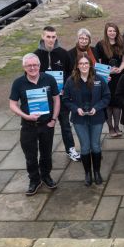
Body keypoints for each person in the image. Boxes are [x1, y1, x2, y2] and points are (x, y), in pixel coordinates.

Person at [9, 53, 60, 196]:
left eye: (35, 65)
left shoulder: (49, 79)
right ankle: (34, 180)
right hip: (28, 126)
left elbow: (56, 100)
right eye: (29, 65)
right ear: (24, 67)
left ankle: (46, 175)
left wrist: (54, 119)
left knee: (46, 154)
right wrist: (26, 116)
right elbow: (12, 104)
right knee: (30, 156)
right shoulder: (18, 83)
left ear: (39, 65)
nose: (32, 68)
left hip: (46, 124)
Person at [63, 54, 110, 186]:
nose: (84, 66)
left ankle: (97, 172)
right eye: (81, 63)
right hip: (79, 119)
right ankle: (87, 174)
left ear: (90, 65)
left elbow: (106, 97)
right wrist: (75, 109)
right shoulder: (71, 81)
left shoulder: (99, 79)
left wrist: (97, 107)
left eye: (86, 63)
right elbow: (65, 99)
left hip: (96, 118)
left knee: (95, 145)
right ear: (77, 66)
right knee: (85, 146)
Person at [34, 26, 80, 162]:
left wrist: (67, 88)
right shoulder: (36, 55)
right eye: (48, 36)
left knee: (65, 124)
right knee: (45, 127)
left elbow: (72, 73)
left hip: (61, 97)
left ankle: (70, 148)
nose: (51, 40)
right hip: (44, 99)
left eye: (53, 37)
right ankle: (44, 154)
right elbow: (30, 76)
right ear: (42, 36)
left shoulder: (63, 53)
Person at [95, 22, 124, 137]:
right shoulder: (100, 44)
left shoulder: (122, 43)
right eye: (110, 31)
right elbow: (98, 63)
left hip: (119, 77)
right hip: (106, 78)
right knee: (108, 103)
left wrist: (120, 68)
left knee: (117, 103)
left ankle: (117, 126)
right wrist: (108, 71)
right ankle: (110, 128)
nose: (112, 33)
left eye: (114, 30)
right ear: (106, 32)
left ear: (117, 31)